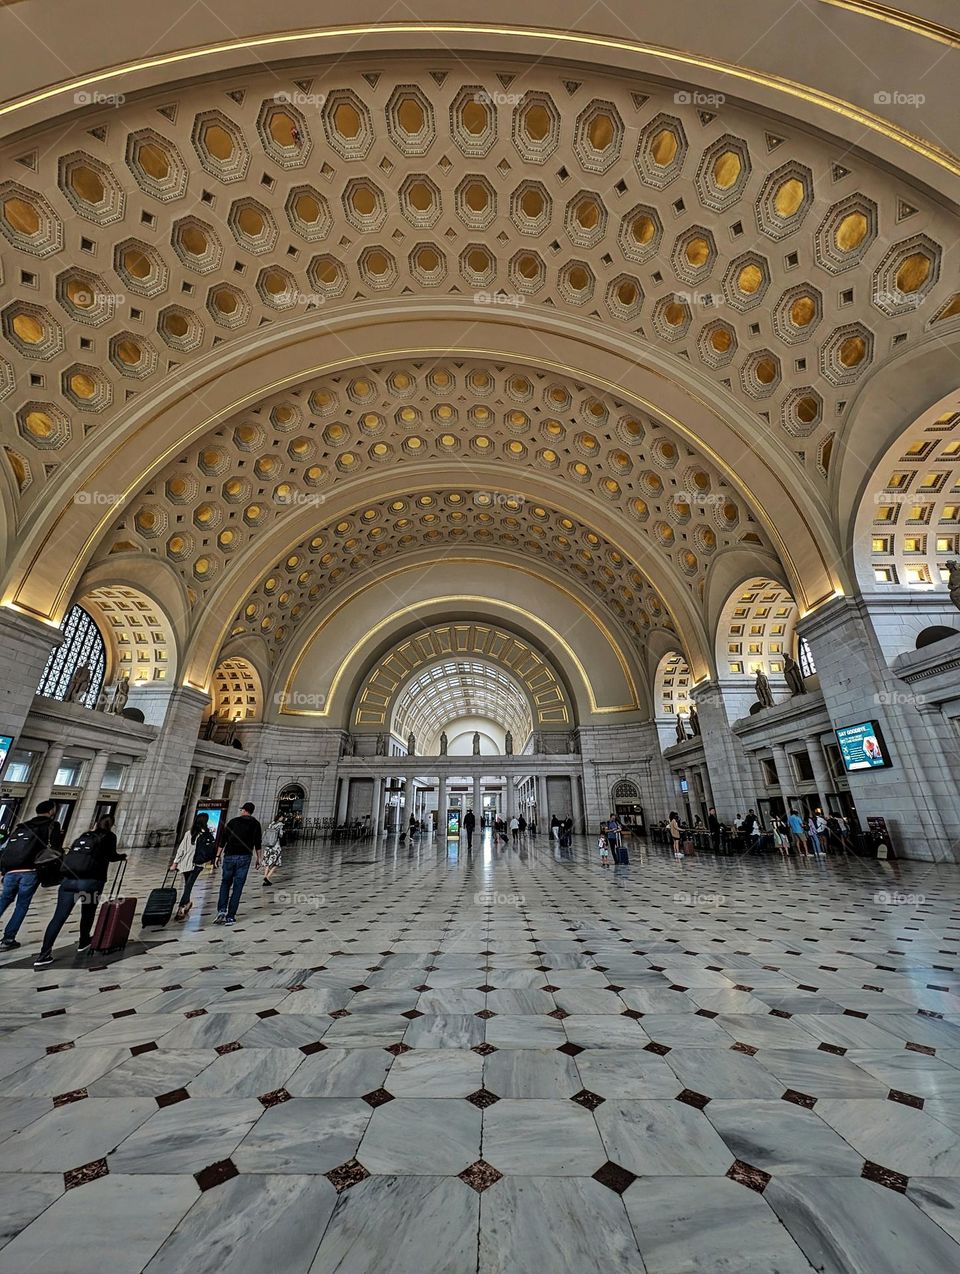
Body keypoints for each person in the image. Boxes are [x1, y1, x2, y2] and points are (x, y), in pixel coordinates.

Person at [33, 815, 125, 967]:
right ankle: (83, 941)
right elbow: (111, 856)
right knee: (88, 912)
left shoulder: (85, 836)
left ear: (96, 823)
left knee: (58, 918)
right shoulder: (109, 836)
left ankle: (44, 954)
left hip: (68, 881)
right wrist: (122, 857)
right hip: (91, 882)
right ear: (112, 825)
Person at [0, 800, 64, 951]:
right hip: (30, 871)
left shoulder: (22, 826)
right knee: (22, 904)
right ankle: (8, 938)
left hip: (11, 870)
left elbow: (7, 848)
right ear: (51, 811)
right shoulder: (52, 825)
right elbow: (55, 849)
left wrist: (4, 871)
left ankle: (8, 938)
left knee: (3, 900)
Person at [215, 802, 262, 925]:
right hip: (244, 857)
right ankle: (231, 916)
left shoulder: (233, 822)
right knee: (238, 886)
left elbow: (223, 840)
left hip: (229, 856)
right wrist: (259, 858)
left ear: (243, 810)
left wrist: (217, 855)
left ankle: (221, 910)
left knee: (225, 883)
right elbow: (258, 843)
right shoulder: (256, 824)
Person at [170, 811, 216, 919]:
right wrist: (175, 863)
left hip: (196, 864)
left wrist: (175, 863)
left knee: (189, 885)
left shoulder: (202, 834)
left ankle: (181, 908)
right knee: (187, 885)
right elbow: (181, 849)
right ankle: (188, 903)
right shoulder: (192, 834)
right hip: (188, 863)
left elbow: (181, 849)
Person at [262, 815, 285, 886]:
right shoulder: (280, 825)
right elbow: (281, 835)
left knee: (267, 863)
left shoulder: (271, 824)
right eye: (282, 817)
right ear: (280, 817)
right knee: (276, 863)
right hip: (276, 846)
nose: (282, 818)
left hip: (269, 846)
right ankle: (267, 877)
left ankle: (265, 877)